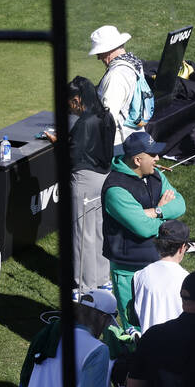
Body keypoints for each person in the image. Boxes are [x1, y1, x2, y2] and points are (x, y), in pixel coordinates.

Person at [102, 131, 187, 328]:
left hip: (157, 264)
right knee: (135, 327)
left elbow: (180, 204)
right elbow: (143, 228)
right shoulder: (116, 189)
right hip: (129, 269)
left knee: (164, 322)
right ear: (138, 160)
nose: (158, 158)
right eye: (153, 155)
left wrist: (154, 211)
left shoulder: (156, 175)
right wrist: (164, 217)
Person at [44, 76, 115, 292]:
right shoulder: (106, 115)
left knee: (82, 234)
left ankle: (84, 287)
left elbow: (71, 158)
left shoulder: (85, 122)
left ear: (77, 100)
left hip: (84, 181)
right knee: (99, 230)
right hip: (104, 178)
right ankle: (103, 280)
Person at [89, 24, 148, 145]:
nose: (98, 58)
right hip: (135, 133)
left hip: (119, 142)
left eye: (99, 53)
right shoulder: (134, 63)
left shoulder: (115, 75)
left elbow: (108, 117)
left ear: (107, 49)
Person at [133, 220, 193, 334]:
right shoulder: (188, 280)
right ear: (182, 247)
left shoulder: (139, 275)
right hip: (177, 347)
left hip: (147, 346)